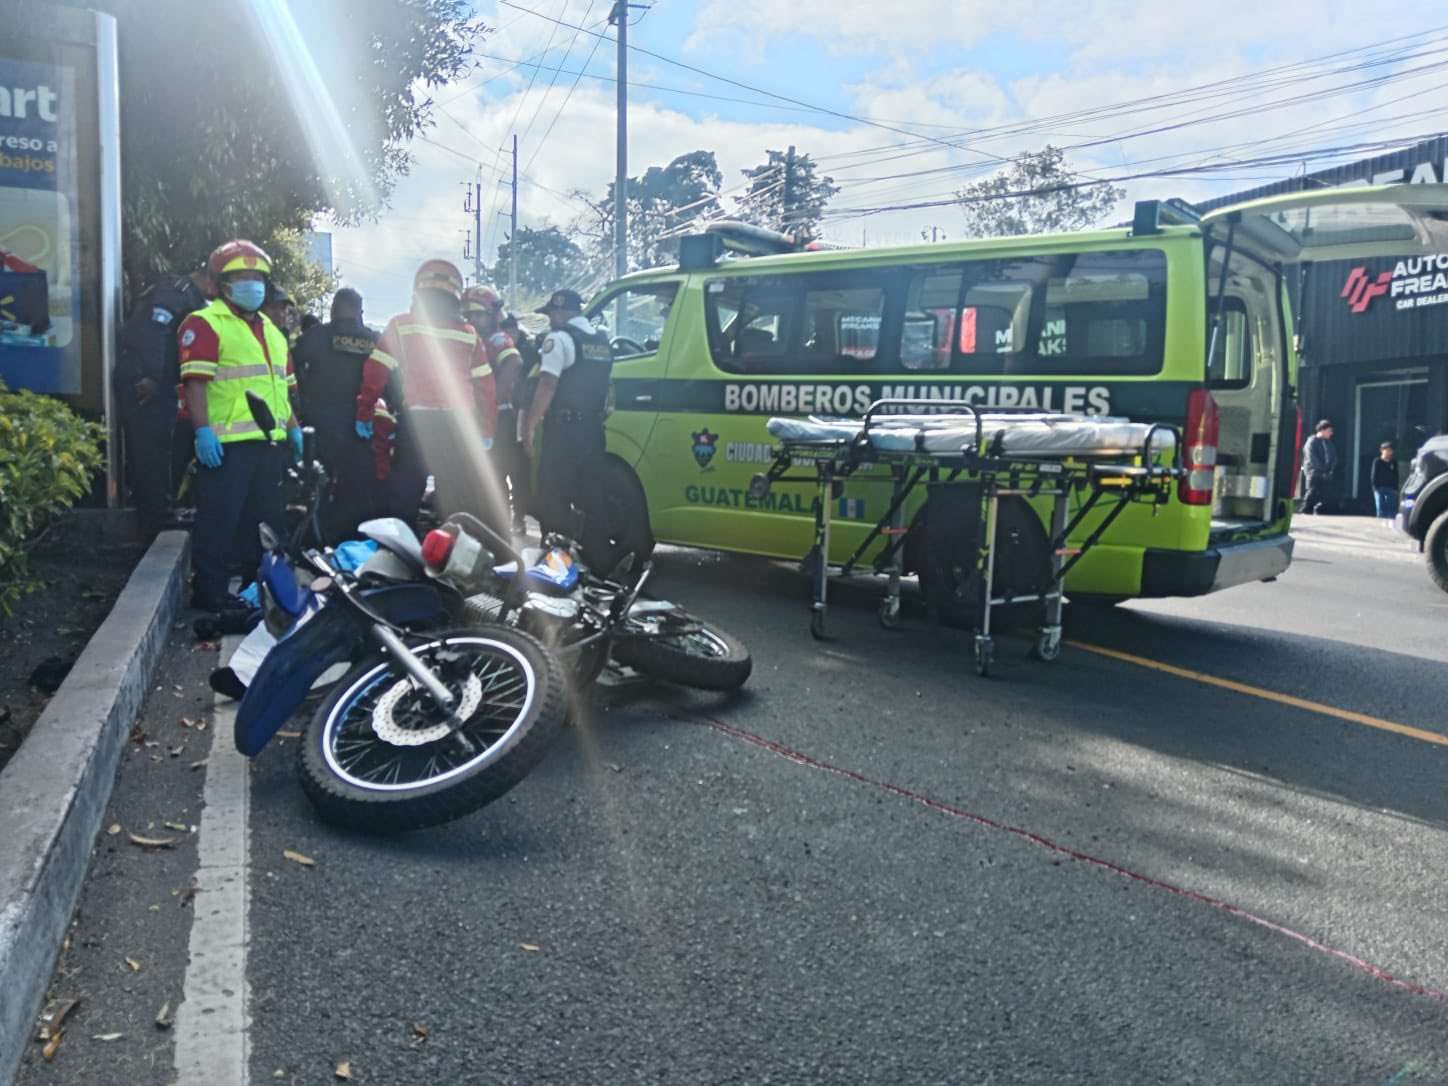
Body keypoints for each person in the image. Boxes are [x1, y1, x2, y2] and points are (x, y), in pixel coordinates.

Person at [178, 239, 302, 612]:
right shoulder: (205, 323)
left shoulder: (273, 332)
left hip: (269, 444)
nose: (252, 284)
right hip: (226, 445)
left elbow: (282, 389)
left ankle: (256, 588)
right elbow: (195, 382)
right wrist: (203, 431)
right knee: (219, 520)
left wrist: (294, 429)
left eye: (258, 277)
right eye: (242, 277)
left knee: (265, 523)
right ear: (222, 283)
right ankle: (211, 593)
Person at [355, 259, 497, 529]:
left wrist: (365, 410)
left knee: (406, 492)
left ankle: (397, 557)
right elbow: (486, 388)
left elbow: (376, 371)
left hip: (419, 423)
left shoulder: (401, 325)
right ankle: (452, 558)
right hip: (459, 425)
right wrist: (486, 430)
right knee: (455, 498)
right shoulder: (470, 335)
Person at [115, 264, 213, 535]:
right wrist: (154, 377)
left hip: (155, 380)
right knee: (150, 449)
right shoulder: (176, 293)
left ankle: (159, 512)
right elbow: (154, 335)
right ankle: (155, 518)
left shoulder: (188, 295)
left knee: (158, 448)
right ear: (207, 278)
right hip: (143, 379)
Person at [521, 288, 613, 538]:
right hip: (594, 431)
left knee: (551, 497)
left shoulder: (559, 339)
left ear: (561, 311)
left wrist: (529, 426)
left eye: (551, 314)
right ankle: (597, 559)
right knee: (591, 497)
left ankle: (555, 562)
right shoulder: (602, 340)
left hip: (564, 433)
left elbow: (547, 384)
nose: (550, 320)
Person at [292, 287, 379, 539]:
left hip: (321, 424)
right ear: (358, 310)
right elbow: (389, 380)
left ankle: (318, 537)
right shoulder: (373, 340)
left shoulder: (316, 336)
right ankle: (353, 537)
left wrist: (302, 401)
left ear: (334, 308)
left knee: (319, 482)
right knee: (356, 485)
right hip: (361, 425)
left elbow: (290, 368)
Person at [460, 285, 523, 535]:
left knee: (494, 477)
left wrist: (491, 399)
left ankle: (499, 535)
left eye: (478, 314)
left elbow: (514, 362)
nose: (473, 319)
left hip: (497, 418)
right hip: (477, 418)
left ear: (492, 314)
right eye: (469, 314)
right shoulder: (472, 338)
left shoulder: (497, 339)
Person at [501, 311, 538, 532]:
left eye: (509, 332)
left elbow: (532, 384)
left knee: (520, 470)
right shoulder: (495, 347)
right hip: (501, 415)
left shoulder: (530, 352)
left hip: (523, 415)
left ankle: (519, 518)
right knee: (499, 469)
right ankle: (504, 516)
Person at [1300, 419, 1338, 515]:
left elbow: (1334, 457)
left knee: (1326, 494)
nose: (1331, 433)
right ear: (1322, 430)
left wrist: (1330, 469)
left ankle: (1319, 512)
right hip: (1314, 472)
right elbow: (1311, 457)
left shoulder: (1329, 443)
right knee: (1312, 492)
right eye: (1329, 431)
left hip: (1326, 473)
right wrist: (1321, 469)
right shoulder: (1311, 441)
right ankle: (1305, 511)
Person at [1372, 441, 1399, 519]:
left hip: (1391, 488)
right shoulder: (1377, 461)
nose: (1388, 452)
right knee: (1381, 508)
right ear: (1382, 450)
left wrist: (1395, 489)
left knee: (1391, 509)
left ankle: (1390, 526)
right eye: (1386, 450)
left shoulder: (1393, 462)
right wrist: (1375, 488)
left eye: (1390, 450)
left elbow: (1396, 476)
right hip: (1379, 488)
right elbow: (1374, 475)